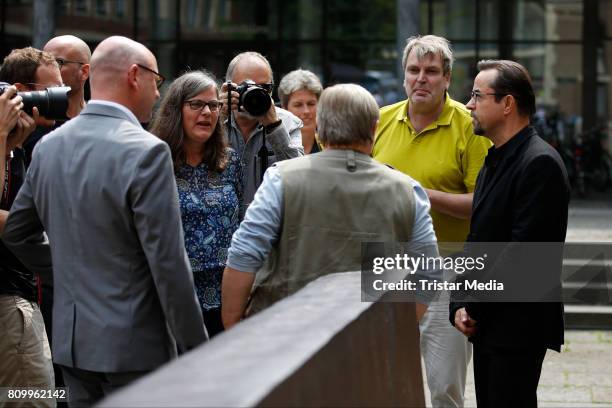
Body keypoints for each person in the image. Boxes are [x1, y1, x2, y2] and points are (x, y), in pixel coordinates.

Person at [2, 36, 208, 406]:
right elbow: (169, 265)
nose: (158, 94)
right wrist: (199, 349)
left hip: (72, 344)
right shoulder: (147, 151)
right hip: (134, 348)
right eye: (156, 81)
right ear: (134, 75)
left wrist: (66, 276)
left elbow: (18, 232)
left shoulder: (49, 146)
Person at [221, 83, 439, 329]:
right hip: (370, 342)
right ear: (374, 129)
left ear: (319, 131)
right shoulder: (408, 191)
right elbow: (429, 273)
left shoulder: (281, 178)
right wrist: (397, 328)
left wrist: (234, 329)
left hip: (285, 339)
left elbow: (244, 255)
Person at [372, 35, 491, 408]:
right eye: (414, 70)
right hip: (384, 265)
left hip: (449, 267)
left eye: (431, 71)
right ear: (404, 75)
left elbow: (483, 203)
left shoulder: (470, 127)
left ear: (447, 78)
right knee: (383, 380)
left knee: (443, 387)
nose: (421, 78)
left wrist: (417, 192)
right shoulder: (378, 121)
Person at [450, 60, 569, 407]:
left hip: (518, 325)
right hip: (489, 322)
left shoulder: (539, 163)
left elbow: (523, 252)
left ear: (507, 103)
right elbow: (477, 241)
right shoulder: (494, 160)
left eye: (476, 95)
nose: (469, 104)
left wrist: (473, 304)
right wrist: (459, 302)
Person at [150, 70, 242, 337]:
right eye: (196, 104)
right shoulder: (155, 160)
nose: (207, 113)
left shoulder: (230, 161)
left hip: (226, 297)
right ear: (176, 110)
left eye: (214, 105)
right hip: (173, 296)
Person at [0, 85, 47, 406]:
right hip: (8, 304)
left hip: (17, 297)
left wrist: (11, 144)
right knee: (37, 397)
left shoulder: (10, 148)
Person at [221, 51, 303, 213]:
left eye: (264, 88)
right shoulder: (211, 119)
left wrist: (274, 126)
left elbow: (299, 177)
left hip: (267, 228)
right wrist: (216, 116)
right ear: (229, 87)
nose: (255, 95)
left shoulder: (287, 123)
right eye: (247, 87)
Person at [43, 35, 91, 119]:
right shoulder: (27, 120)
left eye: (58, 63)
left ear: (84, 72)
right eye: (43, 62)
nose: (45, 70)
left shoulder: (98, 122)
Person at [278, 69, 323, 154]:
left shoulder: (330, 147)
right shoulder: (272, 147)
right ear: (284, 108)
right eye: (298, 105)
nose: (306, 111)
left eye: (311, 104)